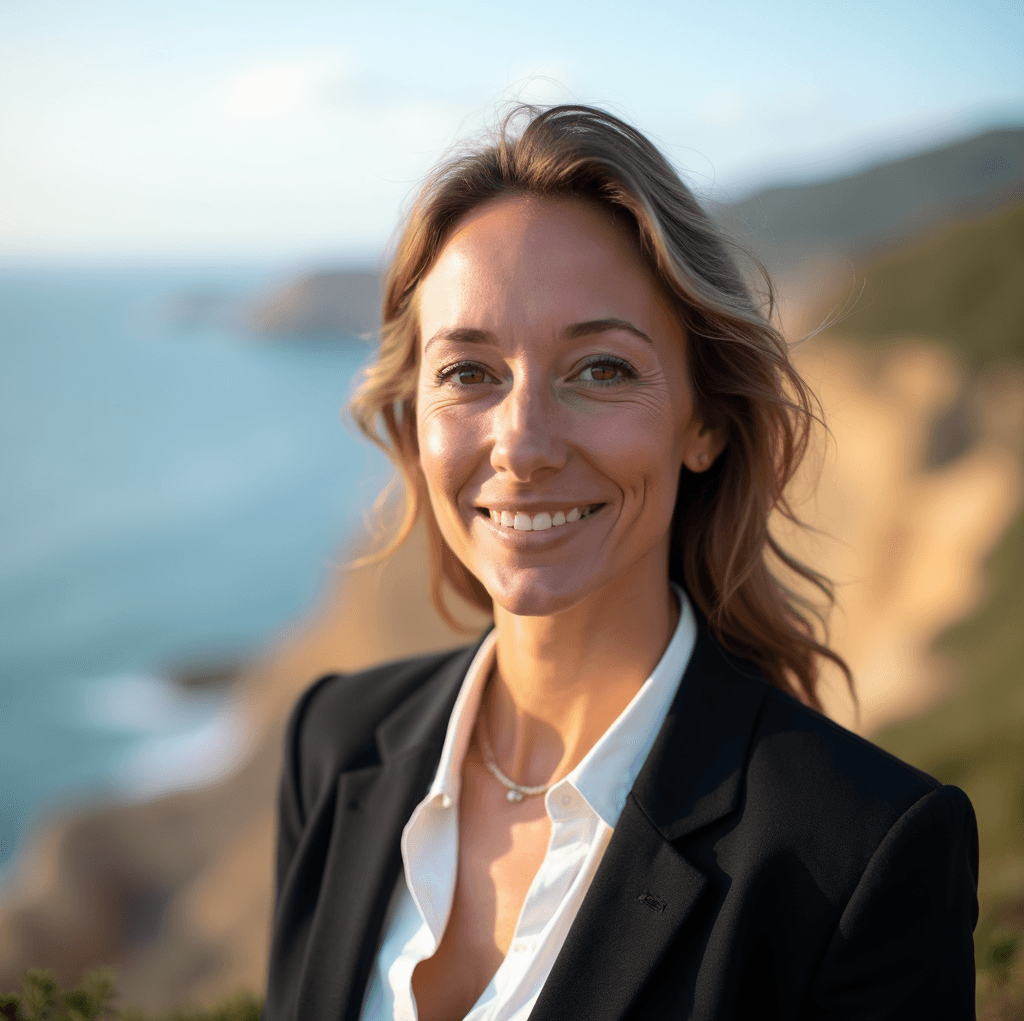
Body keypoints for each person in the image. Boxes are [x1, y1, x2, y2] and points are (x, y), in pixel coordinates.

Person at [262, 105, 978, 1021]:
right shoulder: (331, 743)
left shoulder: (861, 853)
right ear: (413, 421)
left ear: (706, 422)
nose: (522, 446)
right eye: (468, 373)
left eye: (600, 369)